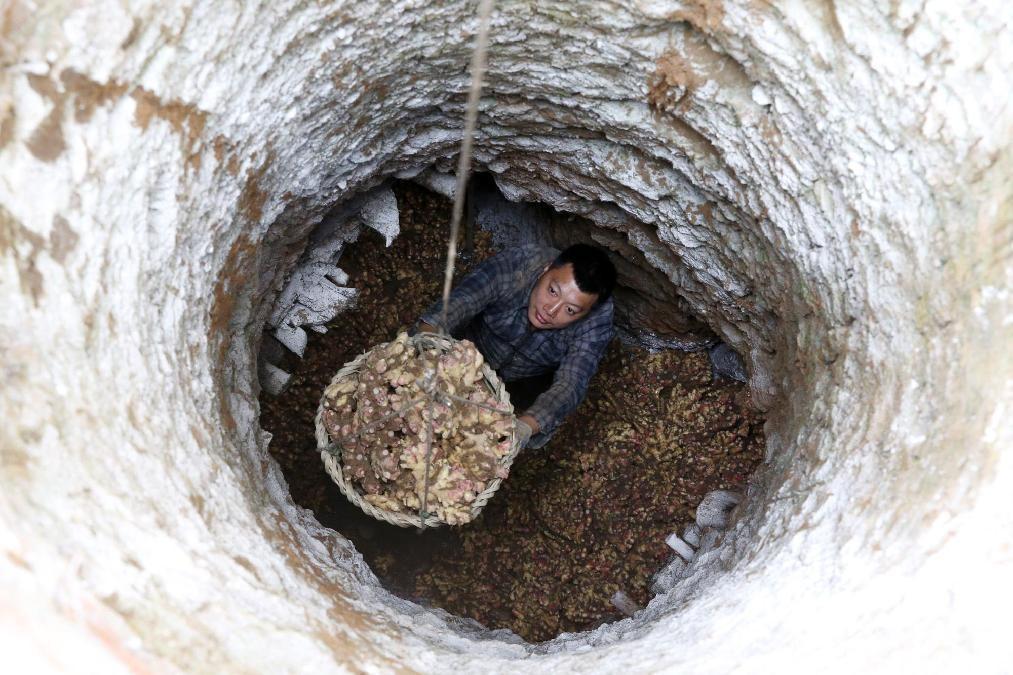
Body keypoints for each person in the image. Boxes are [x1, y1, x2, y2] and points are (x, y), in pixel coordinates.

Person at [415, 243, 617, 449]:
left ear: (586, 314)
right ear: (545, 270)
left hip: (527, 375)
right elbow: (459, 303)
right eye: (553, 291)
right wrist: (428, 353)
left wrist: (523, 427)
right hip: (472, 345)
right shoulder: (516, 266)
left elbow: (571, 382)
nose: (551, 310)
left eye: (570, 310)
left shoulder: (596, 321)